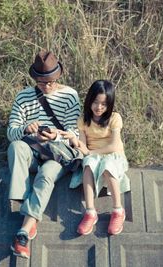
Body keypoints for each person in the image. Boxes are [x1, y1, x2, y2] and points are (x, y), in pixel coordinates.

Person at [7, 50, 81, 259]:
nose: (47, 86)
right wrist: (26, 129)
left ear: (59, 77)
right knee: (16, 147)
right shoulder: (23, 96)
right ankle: (21, 199)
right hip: (30, 151)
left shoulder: (70, 95)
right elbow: (11, 133)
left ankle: (24, 231)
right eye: (41, 82)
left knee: (47, 175)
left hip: (56, 153)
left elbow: (74, 134)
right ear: (35, 79)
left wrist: (55, 136)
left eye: (51, 82)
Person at [60, 80, 130, 236]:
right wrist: (75, 141)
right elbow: (84, 149)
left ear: (109, 105)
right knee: (88, 164)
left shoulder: (114, 118)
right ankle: (90, 212)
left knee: (106, 164)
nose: (99, 107)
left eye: (104, 104)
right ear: (89, 100)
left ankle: (118, 210)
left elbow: (113, 145)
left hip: (114, 156)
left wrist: (92, 152)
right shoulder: (83, 120)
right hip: (94, 156)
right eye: (96, 102)